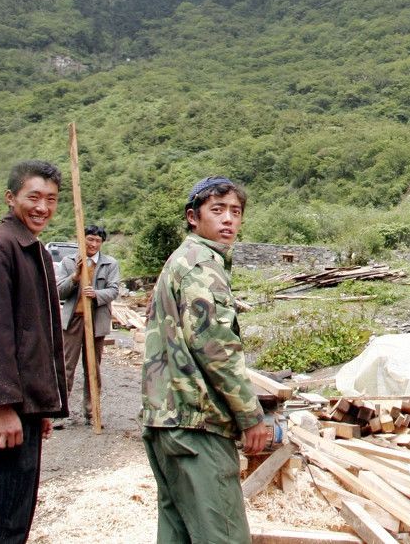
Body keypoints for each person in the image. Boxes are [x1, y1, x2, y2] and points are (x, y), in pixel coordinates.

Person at [140, 176, 272, 544]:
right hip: (196, 424)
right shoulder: (202, 265)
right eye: (217, 210)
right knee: (223, 535)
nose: (228, 219)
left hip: (165, 419)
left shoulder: (180, 261)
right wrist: (250, 416)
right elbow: (214, 347)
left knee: (178, 533)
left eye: (235, 211)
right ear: (193, 217)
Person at [0, 161, 68, 544]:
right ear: (10, 198)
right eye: (32, 197)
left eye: (51, 199)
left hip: (24, 408)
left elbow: (33, 337)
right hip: (4, 410)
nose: (42, 207)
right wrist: (4, 407)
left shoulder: (30, 249)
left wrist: (40, 407)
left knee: (14, 511)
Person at [55, 224, 121, 426]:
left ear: (102, 243)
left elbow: (114, 290)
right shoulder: (68, 261)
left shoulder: (110, 264)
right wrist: (75, 277)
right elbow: (58, 292)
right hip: (73, 320)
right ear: (82, 240)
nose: (93, 244)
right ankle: (58, 413)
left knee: (93, 367)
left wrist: (97, 294)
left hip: (96, 320)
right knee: (66, 366)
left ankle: (92, 413)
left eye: (97, 241)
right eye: (90, 239)